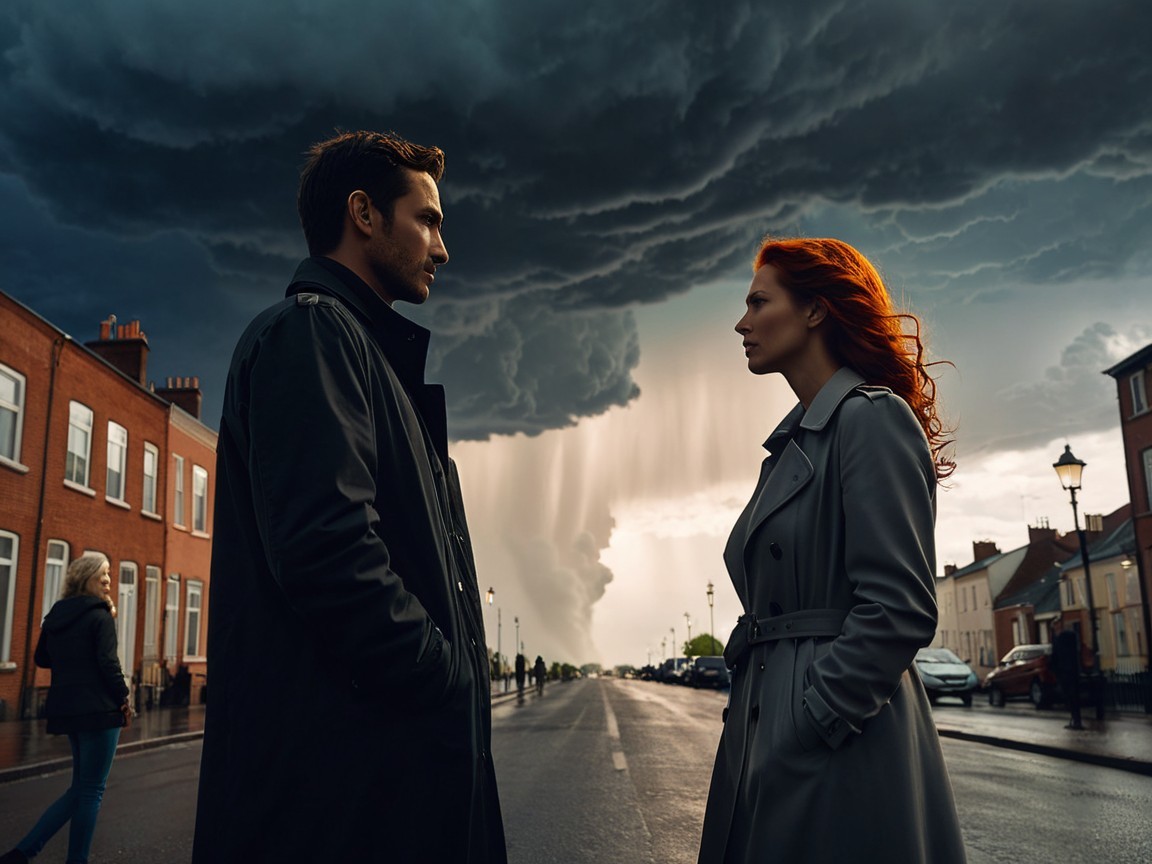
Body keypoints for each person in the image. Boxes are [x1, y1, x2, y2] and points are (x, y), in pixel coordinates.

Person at [192, 131, 505, 863]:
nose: (442, 248)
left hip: (372, 785)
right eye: (427, 220)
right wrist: (445, 675)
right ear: (363, 214)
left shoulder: (363, 355)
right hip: (341, 801)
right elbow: (329, 552)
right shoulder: (311, 334)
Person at [697, 237, 967, 864]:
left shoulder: (871, 418)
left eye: (758, 303)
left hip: (839, 743)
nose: (741, 323)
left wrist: (813, 717)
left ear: (815, 310)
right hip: (768, 728)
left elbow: (900, 606)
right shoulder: (794, 443)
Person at [1, 553, 131, 864]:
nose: (108, 580)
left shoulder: (57, 614)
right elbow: (108, 663)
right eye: (103, 574)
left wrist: (71, 657)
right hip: (100, 711)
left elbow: (42, 658)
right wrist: (124, 697)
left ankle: (22, 853)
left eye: (109, 574)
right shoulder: (100, 615)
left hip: (68, 710)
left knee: (80, 789)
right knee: (92, 791)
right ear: (86, 578)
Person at [1051, 620, 1084, 729]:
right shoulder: (1066, 637)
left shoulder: (1062, 638)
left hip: (1067, 672)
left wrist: (1056, 670)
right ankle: (1075, 719)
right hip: (1069, 671)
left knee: (1071, 696)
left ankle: (1076, 720)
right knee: (1071, 696)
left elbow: (1057, 656)